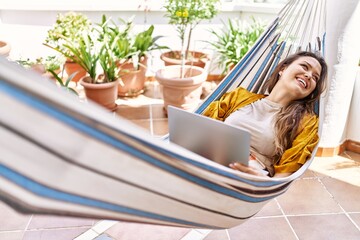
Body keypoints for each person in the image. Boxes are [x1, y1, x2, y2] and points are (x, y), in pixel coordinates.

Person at [203, 51, 328, 178]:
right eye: (304, 67)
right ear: (283, 69)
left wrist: (263, 181)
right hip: (208, 158)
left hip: (246, 178)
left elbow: (285, 172)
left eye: (315, 77)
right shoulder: (238, 97)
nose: (308, 75)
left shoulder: (306, 122)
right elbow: (205, 126)